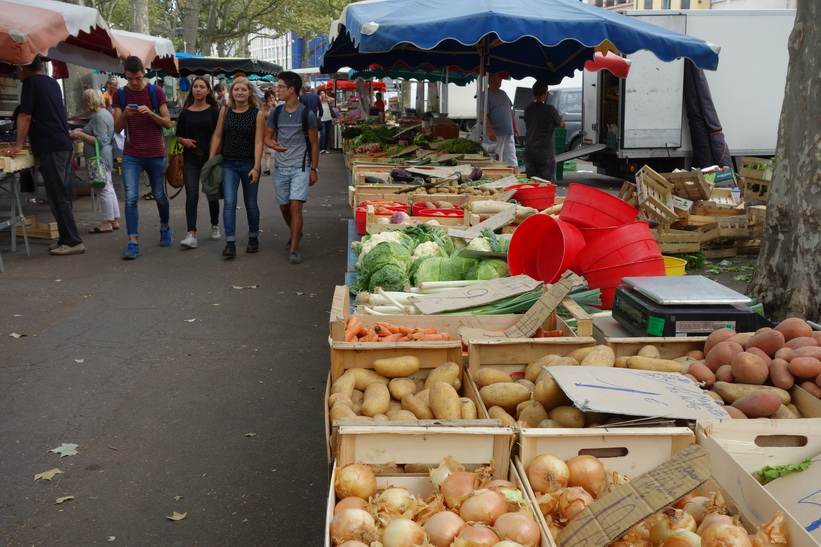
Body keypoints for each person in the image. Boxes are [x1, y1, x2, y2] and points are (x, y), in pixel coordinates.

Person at [1, 57, 84, 255]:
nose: (16, 73)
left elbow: (25, 116)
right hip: (60, 144)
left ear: (22, 67)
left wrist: (18, 144)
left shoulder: (31, 83)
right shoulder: (50, 82)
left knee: (58, 195)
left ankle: (73, 241)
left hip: (52, 146)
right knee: (58, 194)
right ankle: (65, 237)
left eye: (16, 68)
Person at [112, 55, 174, 260]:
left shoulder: (155, 91)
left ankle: (165, 228)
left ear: (144, 73)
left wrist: (151, 114)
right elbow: (117, 128)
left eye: (137, 77)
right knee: (130, 197)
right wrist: (125, 116)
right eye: (130, 78)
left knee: (159, 194)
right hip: (131, 153)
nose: (134, 83)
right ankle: (133, 242)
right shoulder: (120, 95)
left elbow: (167, 123)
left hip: (155, 152)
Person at [264, 71, 319, 265]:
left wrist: (314, 169)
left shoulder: (307, 114)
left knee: (296, 206)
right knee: (284, 207)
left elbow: (314, 144)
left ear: (291, 89)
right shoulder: (276, 112)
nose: (277, 89)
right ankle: (296, 231)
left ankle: (294, 248)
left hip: (301, 167)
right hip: (281, 167)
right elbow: (267, 136)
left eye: (280, 86)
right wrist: (272, 145)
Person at [209, 77, 265, 258]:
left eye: (243, 89)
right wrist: (211, 160)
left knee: (250, 203)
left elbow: (258, 142)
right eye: (236, 89)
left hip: (249, 163)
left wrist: (257, 166)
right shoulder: (224, 111)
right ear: (231, 92)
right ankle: (230, 243)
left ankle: (253, 237)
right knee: (229, 203)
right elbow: (217, 136)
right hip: (228, 164)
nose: (239, 92)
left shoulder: (257, 113)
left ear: (250, 92)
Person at [175, 76, 222, 250]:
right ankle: (191, 233)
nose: (198, 89)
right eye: (196, 86)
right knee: (192, 194)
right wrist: (183, 141)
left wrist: (213, 156)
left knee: (211, 193)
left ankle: (215, 224)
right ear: (192, 89)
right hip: (191, 158)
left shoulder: (214, 112)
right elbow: (178, 135)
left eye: (202, 87)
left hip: (210, 158)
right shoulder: (185, 113)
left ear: (208, 90)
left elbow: (220, 136)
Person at [70, 89, 120, 234]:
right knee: (108, 187)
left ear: (89, 101)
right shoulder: (104, 114)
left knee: (102, 189)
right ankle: (114, 219)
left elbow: (100, 140)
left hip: (98, 158)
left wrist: (80, 133)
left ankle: (107, 222)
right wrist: (83, 131)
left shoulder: (99, 116)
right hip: (104, 156)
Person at [523, 81, 565, 182]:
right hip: (545, 153)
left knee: (530, 183)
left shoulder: (528, 109)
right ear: (545, 94)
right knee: (548, 183)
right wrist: (560, 120)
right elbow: (561, 124)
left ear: (533, 93)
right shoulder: (550, 109)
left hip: (530, 151)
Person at [481, 73, 520, 174]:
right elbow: (483, 114)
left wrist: (515, 126)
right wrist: (489, 131)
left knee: (511, 155)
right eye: (498, 77)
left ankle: (517, 176)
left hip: (508, 131)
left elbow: (510, 111)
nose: (501, 80)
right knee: (496, 157)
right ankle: (497, 177)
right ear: (491, 79)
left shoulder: (503, 93)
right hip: (496, 133)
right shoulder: (485, 95)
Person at [260, 89, 277, 174]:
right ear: (266, 99)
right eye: (270, 98)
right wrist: (268, 108)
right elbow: (262, 116)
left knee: (277, 148)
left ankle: (278, 165)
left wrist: (275, 106)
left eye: (273, 98)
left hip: (276, 131)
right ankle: (267, 168)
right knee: (267, 150)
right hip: (266, 129)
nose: (271, 100)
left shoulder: (277, 106)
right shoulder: (263, 106)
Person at [318, 89, 336, 154]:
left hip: (329, 119)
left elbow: (333, 99)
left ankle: (325, 148)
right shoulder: (319, 102)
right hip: (322, 120)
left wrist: (327, 96)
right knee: (323, 134)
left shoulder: (328, 101)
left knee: (328, 135)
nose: (323, 95)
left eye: (323, 93)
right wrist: (320, 98)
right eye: (321, 94)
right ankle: (321, 148)